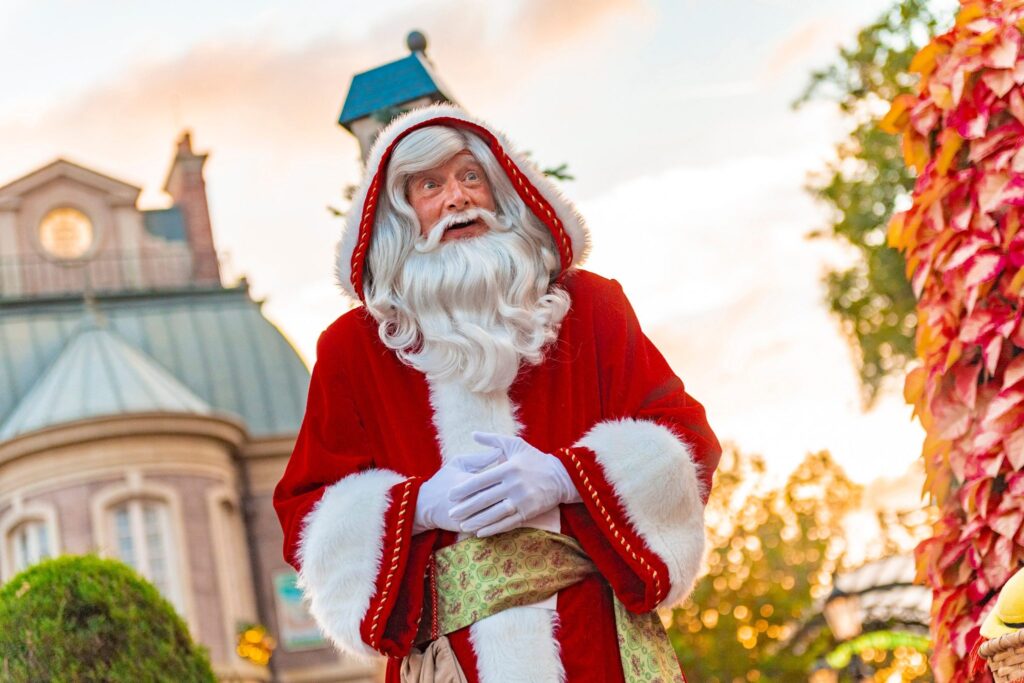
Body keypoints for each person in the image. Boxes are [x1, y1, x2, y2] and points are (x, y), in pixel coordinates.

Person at [273, 104, 722, 683]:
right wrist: (417, 506)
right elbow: (306, 512)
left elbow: (686, 439)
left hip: (595, 648)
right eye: (429, 185)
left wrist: (567, 477)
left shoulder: (590, 306)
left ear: (500, 190)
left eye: (470, 176)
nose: (456, 198)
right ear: (401, 214)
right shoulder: (352, 349)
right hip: (449, 660)